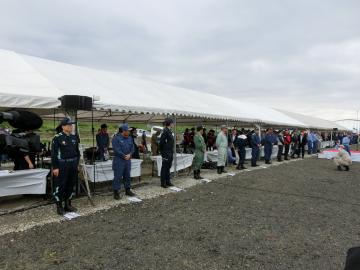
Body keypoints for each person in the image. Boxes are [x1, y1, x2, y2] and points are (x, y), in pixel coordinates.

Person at [51, 117, 80, 215]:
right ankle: (59, 206)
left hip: (73, 164)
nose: (71, 126)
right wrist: (55, 167)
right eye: (69, 125)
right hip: (62, 164)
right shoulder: (57, 138)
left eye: (71, 125)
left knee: (71, 184)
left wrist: (77, 164)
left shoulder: (74, 137)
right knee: (60, 185)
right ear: (63, 126)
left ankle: (67, 204)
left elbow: (77, 152)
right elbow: (54, 154)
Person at [112, 123, 136, 200]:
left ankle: (127, 190)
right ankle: (116, 192)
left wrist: (130, 154)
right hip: (119, 160)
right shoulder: (116, 138)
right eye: (127, 131)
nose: (129, 132)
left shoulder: (129, 138)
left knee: (127, 176)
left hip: (127, 160)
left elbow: (133, 148)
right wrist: (123, 156)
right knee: (118, 176)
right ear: (123, 131)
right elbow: (116, 149)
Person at [159, 118, 174, 188]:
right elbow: (161, 142)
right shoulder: (165, 131)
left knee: (168, 167)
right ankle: (163, 182)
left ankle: (168, 181)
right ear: (170, 123)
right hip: (166, 152)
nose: (173, 124)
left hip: (170, 152)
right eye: (172, 123)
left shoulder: (169, 131)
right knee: (164, 167)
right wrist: (163, 152)